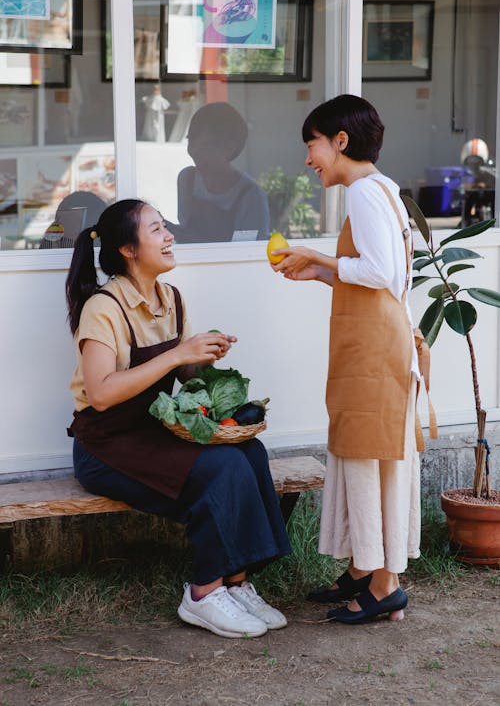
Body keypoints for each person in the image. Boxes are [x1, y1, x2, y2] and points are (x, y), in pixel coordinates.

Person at [66, 198, 290, 638]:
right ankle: (204, 593)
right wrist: (177, 354)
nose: (169, 236)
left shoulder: (171, 298)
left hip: (150, 430)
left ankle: (236, 580)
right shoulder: (104, 307)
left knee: (249, 451)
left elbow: (179, 372)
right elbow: (102, 392)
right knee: (220, 469)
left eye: (165, 226)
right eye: (156, 229)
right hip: (104, 445)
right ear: (128, 249)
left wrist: (201, 357)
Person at [271, 95, 421, 624]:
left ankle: (385, 584)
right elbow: (381, 274)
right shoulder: (381, 189)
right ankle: (365, 567)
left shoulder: (362, 193)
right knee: (365, 452)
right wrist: (319, 273)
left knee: (367, 456)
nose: (308, 158)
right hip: (380, 341)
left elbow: (378, 272)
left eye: (311, 144)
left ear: (339, 141)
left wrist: (318, 256)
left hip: (376, 348)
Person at [166, 102, 270, 242]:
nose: (195, 152)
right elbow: (186, 232)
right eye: (192, 142)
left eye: (205, 146)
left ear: (230, 148)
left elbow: (249, 251)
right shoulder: (187, 179)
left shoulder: (250, 195)